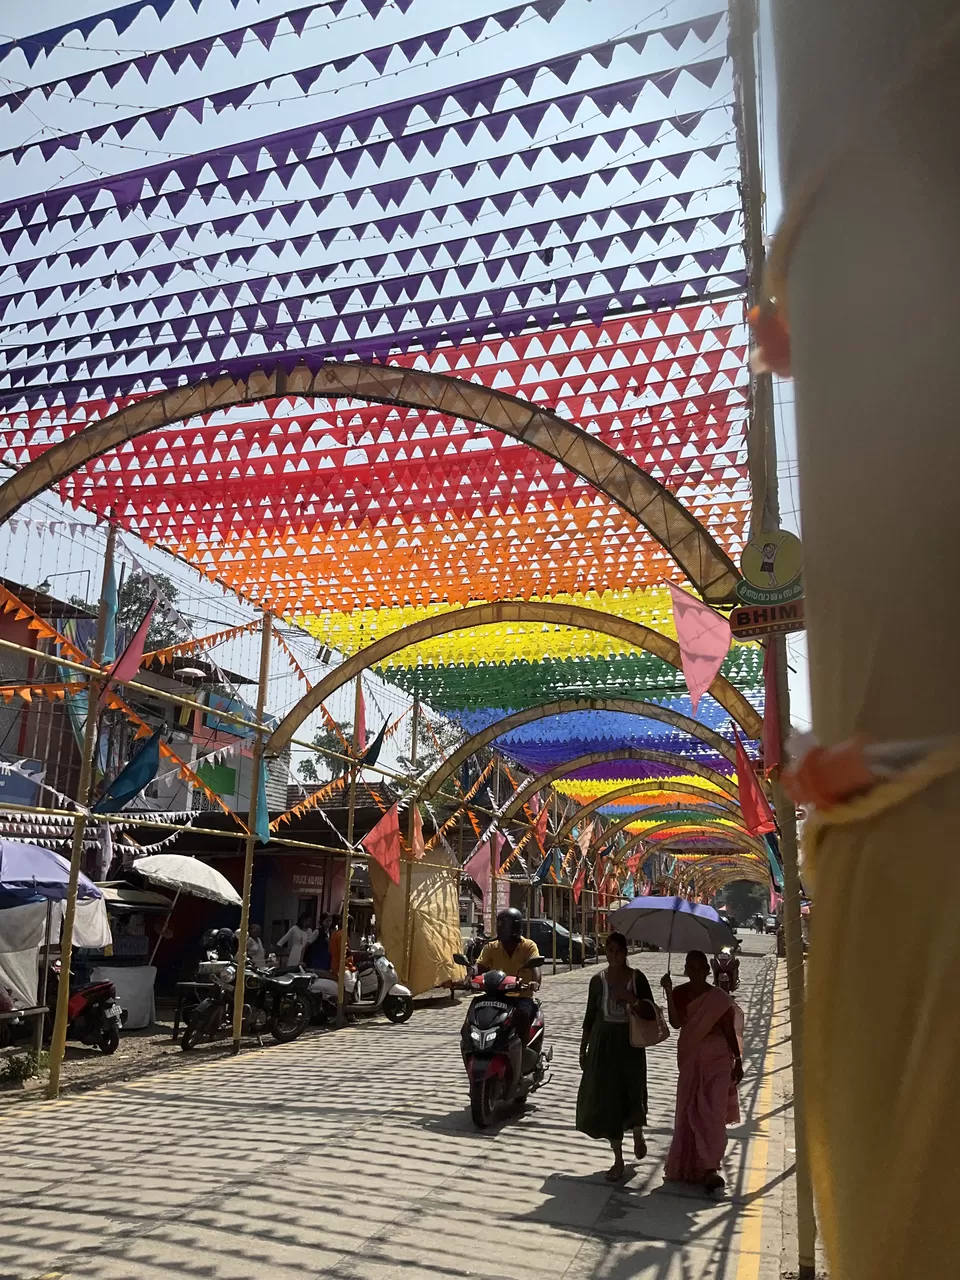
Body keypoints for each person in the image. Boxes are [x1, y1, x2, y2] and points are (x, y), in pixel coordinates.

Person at [661, 950, 743, 1194]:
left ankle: (710, 1167)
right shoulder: (679, 993)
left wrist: (738, 1060)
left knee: (714, 1112)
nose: (696, 973)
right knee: (688, 1109)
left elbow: (728, 1029)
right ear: (686, 970)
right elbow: (676, 1023)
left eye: (700, 968)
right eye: (691, 968)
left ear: (708, 971)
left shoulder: (718, 998)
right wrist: (668, 991)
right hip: (691, 1057)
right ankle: (689, 1164)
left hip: (718, 1059)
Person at [577, 931, 657, 1181]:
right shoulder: (597, 981)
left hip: (630, 1045)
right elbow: (590, 1017)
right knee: (608, 1099)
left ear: (625, 952)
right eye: (610, 950)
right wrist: (583, 1048)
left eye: (619, 951)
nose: (614, 955)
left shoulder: (636, 978)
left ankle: (637, 1131)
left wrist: (630, 999)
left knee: (633, 1091)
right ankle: (618, 1159)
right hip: (604, 1046)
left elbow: (650, 1012)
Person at [476, 907, 541, 1051]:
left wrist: (535, 982)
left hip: (521, 997)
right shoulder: (491, 946)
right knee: (476, 1011)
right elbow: (479, 967)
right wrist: (468, 978)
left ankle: (522, 1050)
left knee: (522, 1014)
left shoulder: (528, 946)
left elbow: (535, 967)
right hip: (495, 996)